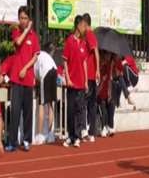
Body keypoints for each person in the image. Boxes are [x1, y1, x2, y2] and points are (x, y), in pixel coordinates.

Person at [8, 6, 40, 152]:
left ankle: (27, 140)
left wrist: (25, 69)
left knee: (27, 111)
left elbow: (35, 56)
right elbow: (18, 43)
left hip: (27, 78)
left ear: (29, 20)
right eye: (21, 18)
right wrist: (25, 31)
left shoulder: (34, 37)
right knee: (15, 111)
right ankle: (12, 141)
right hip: (16, 78)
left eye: (25, 18)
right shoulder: (16, 32)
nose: (22, 20)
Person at [62, 15, 89, 148]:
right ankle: (70, 135)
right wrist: (67, 78)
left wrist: (85, 81)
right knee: (71, 110)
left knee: (79, 110)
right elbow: (65, 61)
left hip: (81, 83)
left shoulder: (84, 43)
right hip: (71, 82)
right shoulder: (69, 41)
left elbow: (84, 62)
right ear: (78, 25)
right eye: (83, 25)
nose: (85, 28)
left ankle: (77, 136)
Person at [33, 42, 58, 145]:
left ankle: (39, 135)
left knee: (41, 104)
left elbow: (35, 76)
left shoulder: (37, 55)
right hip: (54, 71)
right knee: (51, 103)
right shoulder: (46, 56)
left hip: (46, 73)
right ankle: (50, 134)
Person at [82, 13, 101, 141]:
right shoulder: (89, 35)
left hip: (89, 74)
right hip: (91, 74)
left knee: (87, 103)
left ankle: (87, 129)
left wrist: (97, 69)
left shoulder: (89, 35)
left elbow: (95, 51)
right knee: (91, 103)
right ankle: (90, 131)